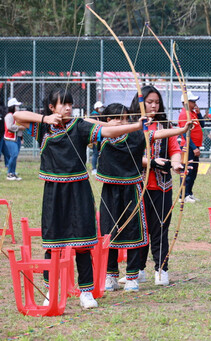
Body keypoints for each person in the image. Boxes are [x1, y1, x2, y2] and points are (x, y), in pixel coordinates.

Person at [14, 88, 145, 309]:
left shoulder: (80, 126)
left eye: (70, 104)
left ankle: (86, 291)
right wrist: (47, 119)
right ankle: (50, 290)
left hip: (79, 191)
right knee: (53, 242)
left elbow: (109, 133)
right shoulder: (43, 127)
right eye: (62, 104)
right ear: (52, 107)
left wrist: (136, 126)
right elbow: (18, 116)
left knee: (83, 242)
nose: (67, 108)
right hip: (54, 192)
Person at [97, 103, 192, 293]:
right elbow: (87, 123)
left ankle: (132, 276)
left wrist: (182, 129)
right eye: (118, 119)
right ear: (107, 121)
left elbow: (156, 134)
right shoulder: (100, 134)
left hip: (132, 189)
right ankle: (110, 275)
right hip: (110, 191)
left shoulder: (135, 135)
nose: (123, 123)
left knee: (133, 231)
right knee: (109, 232)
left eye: (126, 119)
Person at [126, 85, 182, 287]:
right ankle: (138, 270)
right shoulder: (131, 125)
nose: (153, 106)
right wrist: (150, 162)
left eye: (156, 102)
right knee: (138, 230)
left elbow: (175, 149)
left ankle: (161, 269)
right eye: (149, 102)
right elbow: (128, 154)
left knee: (159, 228)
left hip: (161, 187)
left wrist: (176, 164)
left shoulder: (165, 125)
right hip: (137, 186)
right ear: (139, 103)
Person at [178, 91, 204, 203]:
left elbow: (202, 125)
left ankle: (189, 193)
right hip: (188, 146)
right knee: (187, 171)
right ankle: (183, 195)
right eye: (192, 101)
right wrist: (193, 147)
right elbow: (184, 133)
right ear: (186, 102)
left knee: (193, 172)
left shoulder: (193, 113)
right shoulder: (184, 114)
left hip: (195, 146)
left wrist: (199, 114)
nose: (195, 104)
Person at [4, 98, 25, 180]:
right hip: (10, 139)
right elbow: (9, 127)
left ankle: (13, 172)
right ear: (12, 107)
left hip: (17, 139)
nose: (18, 107)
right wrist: (20, 127)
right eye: (16, 106)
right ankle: (9, 173)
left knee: (15, 156)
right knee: (14, 155)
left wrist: (22, 138)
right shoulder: (9, 115)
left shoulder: (16, 115)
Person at [89, 101, 103, 175]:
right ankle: (94, 169)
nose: (101, 109)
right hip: (96, 138)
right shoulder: (94, 116)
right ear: (97, 108)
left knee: (97, 153)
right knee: (95, 153)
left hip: (99, 137)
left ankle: (97, 168)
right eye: (100, 108)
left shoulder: (98, 116)